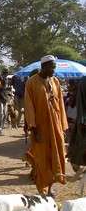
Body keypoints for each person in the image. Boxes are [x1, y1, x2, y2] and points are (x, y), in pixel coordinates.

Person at [24, 54, 68, 196]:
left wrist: (62, 126)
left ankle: (50, 185)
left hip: (55, 126)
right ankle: (42, 187)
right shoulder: (31, 83)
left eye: (54, 68)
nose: (53, 71)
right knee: (42, 157)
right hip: (40, 127)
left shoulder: (55, 81)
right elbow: (29, 106)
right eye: (51, 68)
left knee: (55, 154)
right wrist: (33, 128)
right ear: (43, 67)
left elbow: (60, 104)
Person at [67, 75, 86, 178]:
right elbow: (81, 102)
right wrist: (83, 120)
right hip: (83, 121)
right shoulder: (84, 81)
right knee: (79, 145)